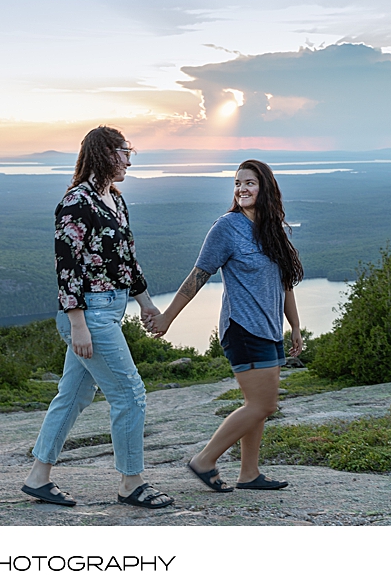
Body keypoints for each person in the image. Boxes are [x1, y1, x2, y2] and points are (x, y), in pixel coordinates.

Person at [21, 126, 174, 509]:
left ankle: (38, 477)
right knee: (130, 394)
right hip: (89, 314)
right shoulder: (78, 201)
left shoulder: (115, 200)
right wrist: (78, 325)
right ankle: (131, 484)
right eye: (123, 152)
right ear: (104, 153)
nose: (128, 160)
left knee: (74, 394)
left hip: (111, 306)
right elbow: (67, 266)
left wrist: (146, 302)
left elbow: (126, 259)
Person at [148, 159, 303, 492]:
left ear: (266, 188)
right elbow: (198, 275)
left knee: (258, 407)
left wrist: (295, 326)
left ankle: (249, 474)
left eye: (249, 183)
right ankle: (204, 460)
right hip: (243, 328)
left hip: (271, 329)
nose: (242, 189)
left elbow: (284, 283)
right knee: (263, 405)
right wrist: (167, 318)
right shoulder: (227, 227)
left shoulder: (271, 228)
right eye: (237, 184)